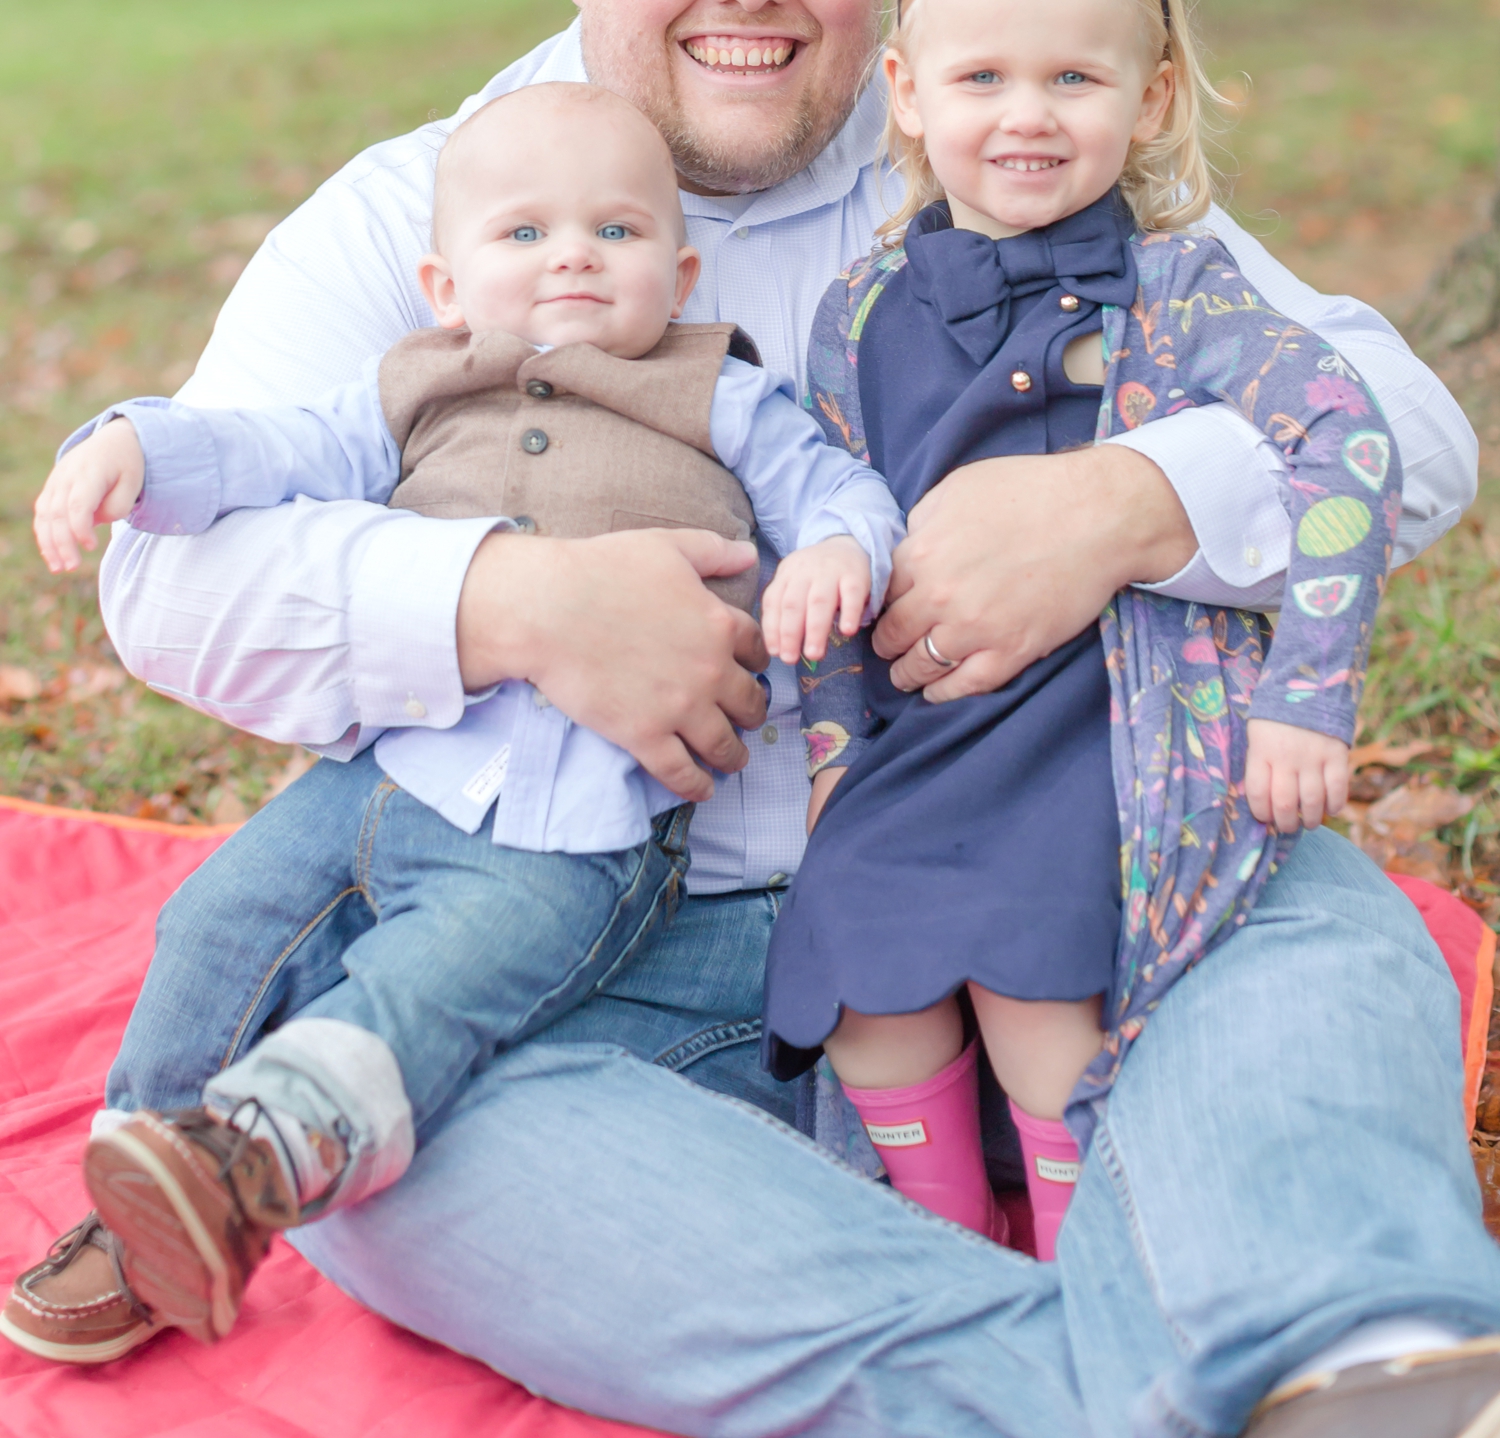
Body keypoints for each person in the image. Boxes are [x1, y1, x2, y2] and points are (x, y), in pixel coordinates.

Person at [5, 0, 1497, 1438]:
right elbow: (168, 579)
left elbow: (1406, 428)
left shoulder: (987, 137)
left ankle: (1357, 1351)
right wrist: (510, 605)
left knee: (1303, 936)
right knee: (401, 1147)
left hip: (1067, 855)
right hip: (591, 949)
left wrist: (1125, 506)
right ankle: (1087, 1392)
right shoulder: (428, 214)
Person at [17, 80, 902, 1348]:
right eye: (525, 234)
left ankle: (253, 1164)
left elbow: (840, 493)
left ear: (681, 269)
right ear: (446, 284)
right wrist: (137, 452)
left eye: (616, 232)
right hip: (382, 775)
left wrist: (835, 558)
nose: (573, 261)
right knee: (219, 921)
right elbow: (268, 451)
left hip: (577, 826)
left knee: (433, 984)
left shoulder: (720, 395)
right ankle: (147, 1179)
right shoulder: (416, 388)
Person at [759, 0, 1401, 1265]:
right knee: (868, 987)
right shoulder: (860, 307)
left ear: (1153, 97)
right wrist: (828, 745)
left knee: (1039, 999)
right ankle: (949, 1257)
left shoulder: (1179, 291)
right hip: (921, 737)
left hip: (1097, 730)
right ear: (911, 97)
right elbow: (837, 526)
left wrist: (1306, 697)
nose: (1029, 116)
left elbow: (1348, 441)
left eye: (1074, 78)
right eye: (983, 76)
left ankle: (1077, 1258)